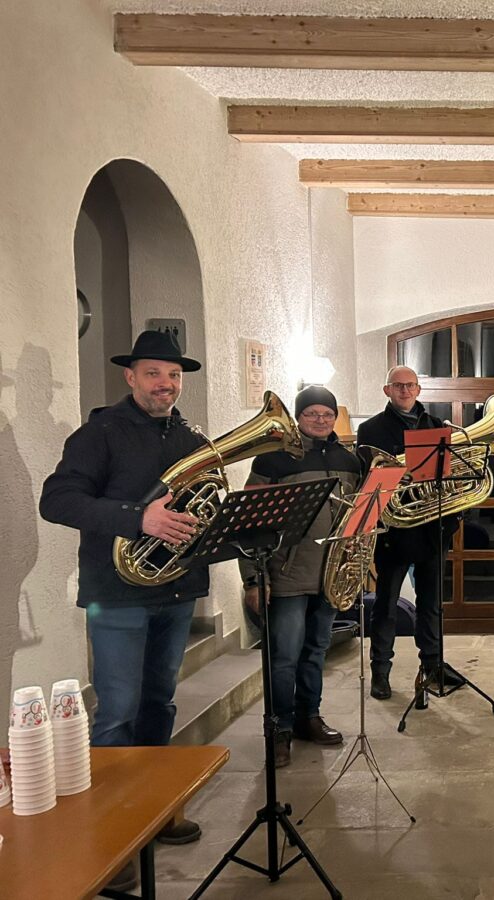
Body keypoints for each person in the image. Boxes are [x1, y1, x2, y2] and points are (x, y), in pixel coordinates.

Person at [40, 329, 211, 890]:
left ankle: (154, 810)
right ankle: (109, 837)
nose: (166, 384)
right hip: (116, 594)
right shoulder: (100, 432)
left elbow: (203, 501)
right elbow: (57, 500)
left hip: (175, 589)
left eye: (174, 375)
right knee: (116, 712)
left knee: (159, 702)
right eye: (154, 373)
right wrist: (138, 519)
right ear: (130, 377)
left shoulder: (190, 436)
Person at [239, 385, 361, 767]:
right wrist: (253, 579)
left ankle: (310, 717)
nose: (320, 420)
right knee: (284, 658)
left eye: (327, 414)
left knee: (315, 653)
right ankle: (279, 729)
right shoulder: (273, 460)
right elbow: (248, 522)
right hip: (286, 575)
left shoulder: (349, 461)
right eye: (312, 414)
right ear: (298, 417)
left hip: (330, 576)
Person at [356, 365, 462, 702]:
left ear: (418, 390)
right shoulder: (370, 429)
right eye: (398, 385)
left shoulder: (437, 427)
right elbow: (367, 480)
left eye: (410, 385)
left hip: (430, 528)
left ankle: (432, 664)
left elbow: (448, 477)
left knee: (431, 604)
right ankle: (380, 671)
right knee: (385, 604)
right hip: (394, 530)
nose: (405, 391)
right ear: (387, 390)